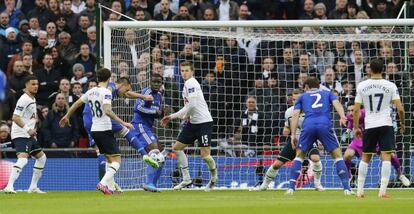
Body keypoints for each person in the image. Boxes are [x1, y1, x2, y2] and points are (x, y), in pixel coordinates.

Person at [59, 68, 133, 195]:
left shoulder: (91, 91)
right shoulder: (106, 92)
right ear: (109, 78)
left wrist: (67, 116)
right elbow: (108, 111)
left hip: (94, 130)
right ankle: (102, 184)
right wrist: (123, 123)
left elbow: (76, 104)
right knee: (117, 161)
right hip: (104, 129)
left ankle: (111, 188)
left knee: (109, 159)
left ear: (98, 78)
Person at [287, 77, 352, 195]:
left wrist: (293, 135)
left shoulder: (302, 96)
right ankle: (347, 188)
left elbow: (295, 115)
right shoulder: (328, 93)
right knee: (337, 156)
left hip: (308, 126)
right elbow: (337, 103)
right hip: (324, 125)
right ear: (318, 85)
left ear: (306, 87)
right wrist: (343, 116)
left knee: (299, 156)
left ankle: (291, 187)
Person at [160, 61, 217, 191]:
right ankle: (186, 179)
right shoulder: (186, 84)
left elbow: (192, 106)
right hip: (193, 123)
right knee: (177, 148)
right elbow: (188, 106)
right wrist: (172, 116)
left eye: (187, 70)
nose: (184, 73)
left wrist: (184, 117)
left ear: (192, 72)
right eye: (182, 70)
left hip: (203, 122)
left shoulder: (191, 83)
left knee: (205, 155)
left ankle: (214, 179)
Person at [253, 89, 324, 191]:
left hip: (308, 140)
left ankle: (317, 184)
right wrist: (286, 129)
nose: (296, 101)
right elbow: (287, 126)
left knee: (315, 158)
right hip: (294, 140)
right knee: (277, 164)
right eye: (294, 99)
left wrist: (320, 141)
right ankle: (264, 185)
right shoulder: (289, 112)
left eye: (298, 99)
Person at [353, 59, 406, 198]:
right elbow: (400, 108)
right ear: (383, 70)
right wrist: (402, 123)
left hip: (370, 125)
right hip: (386, 124)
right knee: (386, 156)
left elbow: (356, 110)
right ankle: (382, 192)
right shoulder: (390, 85)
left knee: (365, 157)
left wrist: (356, 127)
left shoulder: (362, 86)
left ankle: (359, 192)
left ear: (369, 69)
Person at [343, 101, 410, 187]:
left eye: (353, 110)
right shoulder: (350, 116)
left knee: (390, 156)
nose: (351, 113)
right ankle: (349, 176)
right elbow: (350, 121)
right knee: (347, 155)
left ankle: (400, 174)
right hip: (360, 138)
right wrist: (347, 130)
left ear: (360, 109)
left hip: (374, 138)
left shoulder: (367, 113)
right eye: (349, 111)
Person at [2, 75, 47, 194]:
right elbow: (15, 117)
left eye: (37, 84)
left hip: (29, 135)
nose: (36, 86)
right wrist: (28, 129)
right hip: (21, 134)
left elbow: (28, 117)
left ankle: (33, 187)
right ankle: (9, 186)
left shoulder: (32, 98)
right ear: (26, 85)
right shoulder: (24, 99)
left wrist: (32, 130)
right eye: (33, 84)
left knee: (42, 158)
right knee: (23, 160)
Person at [131, 74, 165, 192]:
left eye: (158, 82)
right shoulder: (146, 92)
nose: (156, 84)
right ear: (150, 82)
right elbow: (138, 108)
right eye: (154, 82)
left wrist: (162, 114)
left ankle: (152, 185)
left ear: (161, 83)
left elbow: (159, 112)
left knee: (161, 154)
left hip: (147, 127)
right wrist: (155, 112)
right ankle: (149, 183)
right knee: (155, 153)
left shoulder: (160, 96)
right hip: (139, 125)